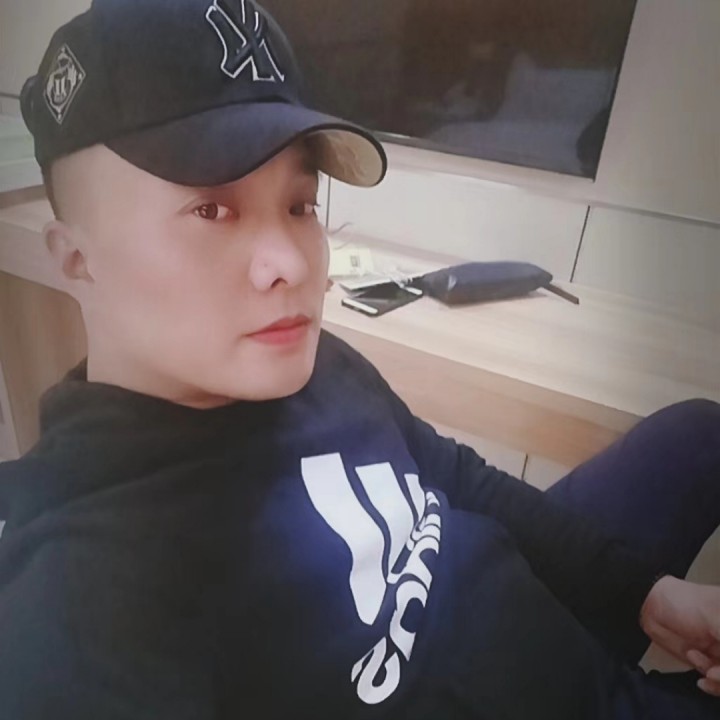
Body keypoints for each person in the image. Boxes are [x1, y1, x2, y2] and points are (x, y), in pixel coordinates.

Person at [0, 1, 718, 718]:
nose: (291, 265)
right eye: (211, 210)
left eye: (299, 205)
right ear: (77, 260)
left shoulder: (313, 360)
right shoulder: (83, 601)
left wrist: (645, 595)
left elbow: (448, 472)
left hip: (543, 627)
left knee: (697, 433)